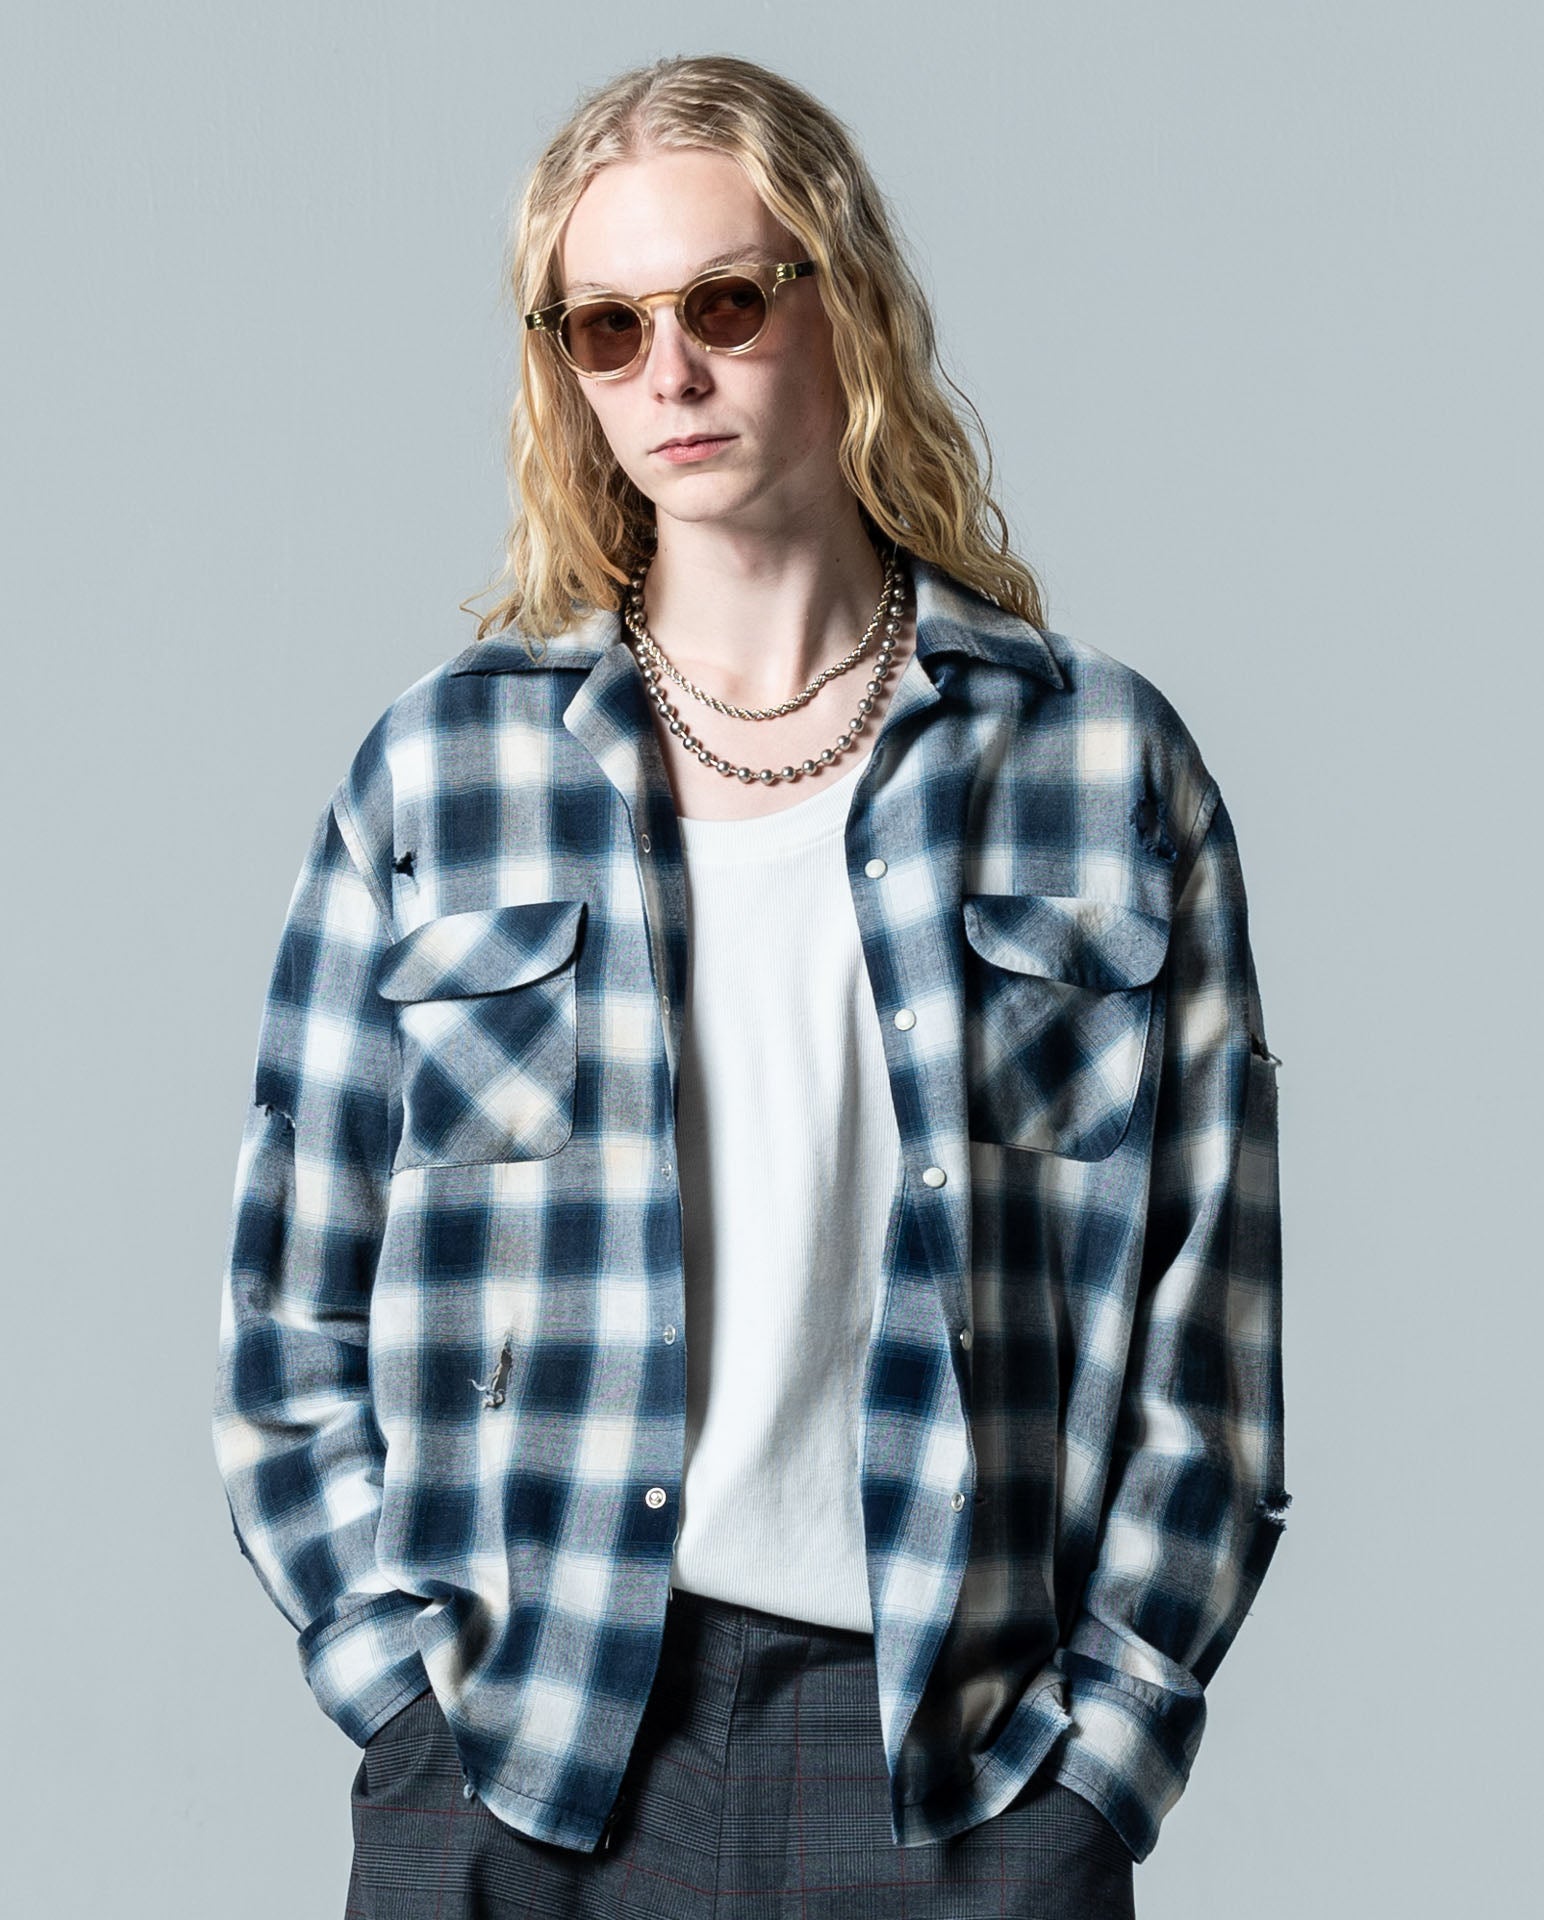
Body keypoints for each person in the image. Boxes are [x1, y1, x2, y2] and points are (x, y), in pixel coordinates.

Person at [212, 52, 1288, 1920]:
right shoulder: (442, 778)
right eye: (606, 329)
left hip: (959, 1773)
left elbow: (1215, 1342)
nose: (670, 374)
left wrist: (1098, 1772)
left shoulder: (1099, 766)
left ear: (840, 303)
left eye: (722, 304)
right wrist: (403, 1714)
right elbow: (284, 1314)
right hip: (525, 1757)